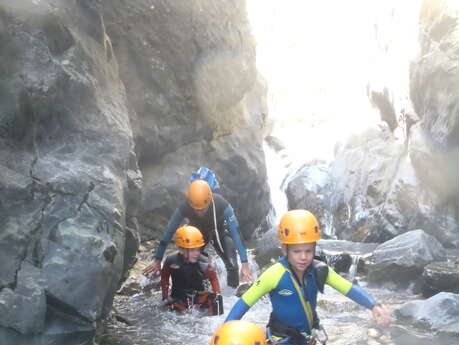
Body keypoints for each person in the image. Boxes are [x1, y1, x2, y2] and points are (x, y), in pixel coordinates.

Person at [225, 209, 391, 345]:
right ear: (285, 249)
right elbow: (244, 302)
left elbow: (347, 288)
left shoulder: (319, 270)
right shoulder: (274, 274)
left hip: (308, 338)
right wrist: (225, 332)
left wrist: (374, 306)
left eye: (309, 251)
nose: (303, 257)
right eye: (297, 251)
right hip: (281, 340)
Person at [144, 179, 252, 287]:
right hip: (197, 234)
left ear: (209, 201)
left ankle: (233, 294)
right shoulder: (184, 207)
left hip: (219, 231)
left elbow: (236, 233)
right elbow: (169, 232)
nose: (199, 212)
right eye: (196, 209)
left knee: (232, 265)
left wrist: (245, 265)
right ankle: (204, 288)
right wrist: (158, 260)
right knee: (191, 264)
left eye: (203, 209)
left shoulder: (221, 204)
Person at [160, 225, 223, 315]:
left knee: (214, 301)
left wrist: (217, 295)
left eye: (198, 250)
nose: (196, 253)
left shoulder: (204, 262)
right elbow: (165, 277)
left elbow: (213, 278)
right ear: (181, 250)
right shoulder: (171, 260)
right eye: (192, 250)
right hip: (178, 297)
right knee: (167, 308)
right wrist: (165, 296)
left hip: (198, 297)